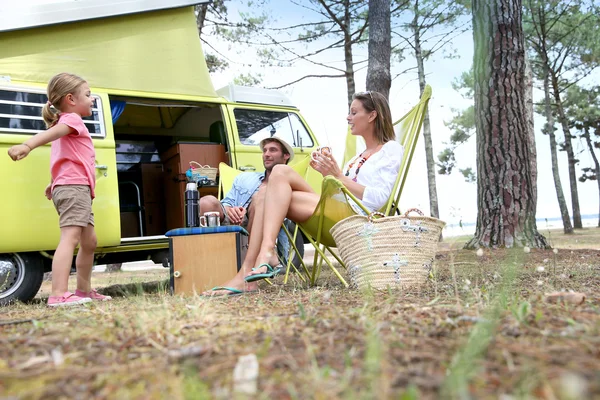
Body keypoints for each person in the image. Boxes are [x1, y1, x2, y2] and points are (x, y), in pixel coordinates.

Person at [204, 91, 403, 296]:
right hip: (336, 208)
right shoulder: (357, 158)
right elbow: (341, 189)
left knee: (279, 171)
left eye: (354, 112)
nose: (348, 117)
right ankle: (248, 273)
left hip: (352, 219)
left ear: (372, 116)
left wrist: (337, 176)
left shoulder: (390, 149)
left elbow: (379, 198)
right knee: (264, 194)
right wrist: (328, 174)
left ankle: (266, 254)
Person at [7, 72, 112, 307]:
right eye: (88, 94)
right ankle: (58, 294)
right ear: (70, 99)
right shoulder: (71, 119)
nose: (92, 98)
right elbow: (49, 135)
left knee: (89, 241)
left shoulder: (66, 123)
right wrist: (28, 145)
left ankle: (84, 290)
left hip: (73, 187)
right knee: (71, 237)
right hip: (74, 188)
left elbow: (65, 158)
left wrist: (54, 182)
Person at [199, 135, 294, 235]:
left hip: (262, 226)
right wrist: (230, 210)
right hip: (231, 220)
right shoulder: (244, 177)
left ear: (286, 155)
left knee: (258, 199)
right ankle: (209, 248)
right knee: (206, 202)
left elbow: (284, 216)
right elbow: (227, 201)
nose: (266, 154)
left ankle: (250, 248)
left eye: (273, 150)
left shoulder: (287, 185)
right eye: (264, 150)